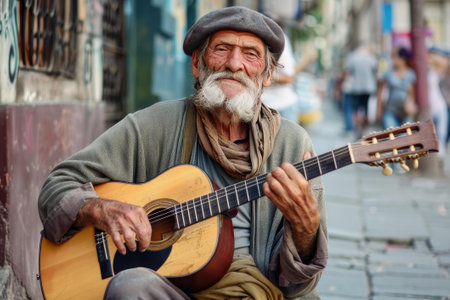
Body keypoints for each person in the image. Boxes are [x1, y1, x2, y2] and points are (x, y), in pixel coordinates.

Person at [38, 7, 327, 299]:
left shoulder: (292, 145)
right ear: (197, 65)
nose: (234, 64)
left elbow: (300, 286)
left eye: (251, 54)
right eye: (222, 49)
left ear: (266, 75)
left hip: (260, 292)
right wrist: (99, 210)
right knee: (130, 287)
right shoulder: (156, 125)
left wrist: (305, 232)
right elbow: (58, 184)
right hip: (174, 292)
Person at [377, 47, 417, 130]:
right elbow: (380, 91)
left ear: (403, 59)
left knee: (405, 138)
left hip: (405, 113)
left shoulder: (411, 74)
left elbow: (412, 93)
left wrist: (410, 102)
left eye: (396, 57)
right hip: (390, 111)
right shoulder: (389, 73)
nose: (394, 60)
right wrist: (379, 109)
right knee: (392, 135)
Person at [345, 44, 378, 137]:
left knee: (355, 110)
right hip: (368, 87)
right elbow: (376, 73)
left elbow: (349, 72)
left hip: (355, 87)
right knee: (367, 110)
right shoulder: (371, 58)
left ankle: (358, 128)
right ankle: (364, 129)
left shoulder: (353, 58)